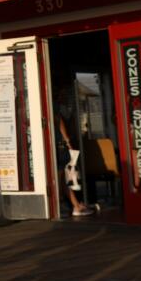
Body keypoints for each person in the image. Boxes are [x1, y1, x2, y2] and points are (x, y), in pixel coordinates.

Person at [54, 86, 93, 218]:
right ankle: (73, 205)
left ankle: (74, 205)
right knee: (64, 176)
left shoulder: (62, 107)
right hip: (59, 146)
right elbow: (59, 122)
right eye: (62, 94)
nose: (64, 97)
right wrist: (68, 141)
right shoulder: (56, 107)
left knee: (65, 176)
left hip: (57, 145)